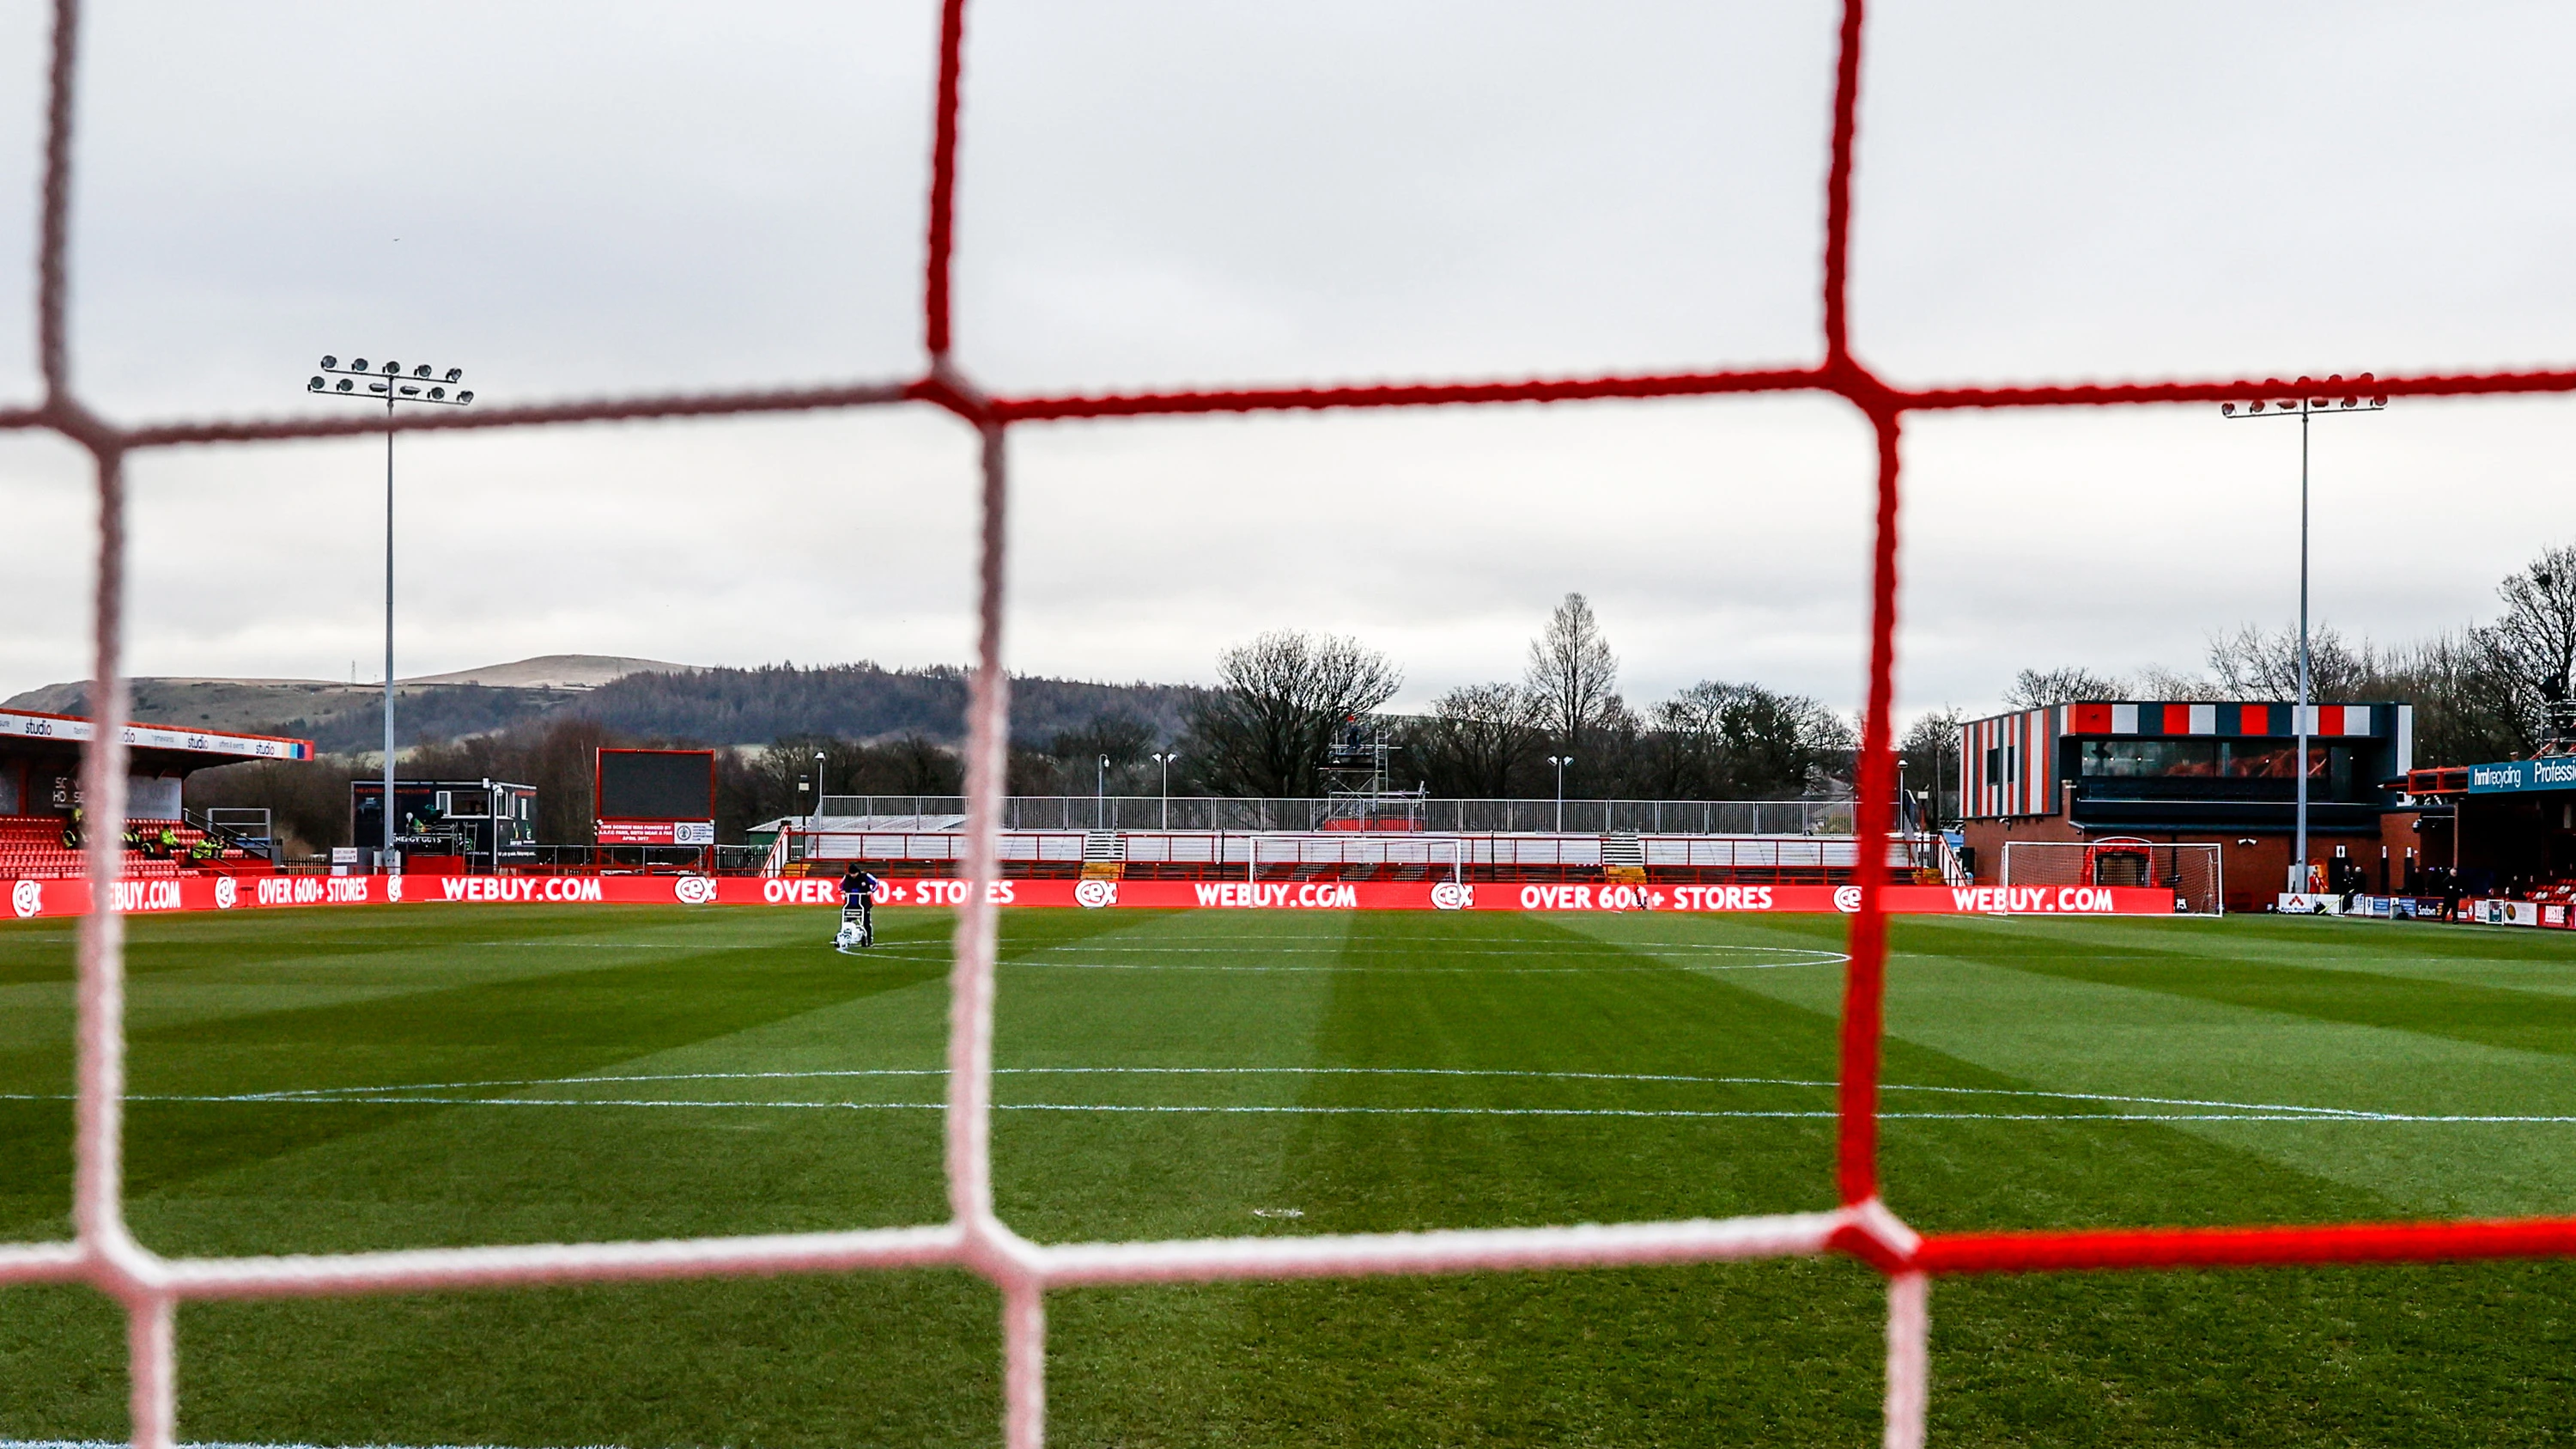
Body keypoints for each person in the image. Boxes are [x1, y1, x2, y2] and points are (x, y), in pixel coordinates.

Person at [835, 864, 883, 951]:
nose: (853, 875)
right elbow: (840, 885)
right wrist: (843, 890)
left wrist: (871, 891)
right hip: (850, 904)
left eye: (854, 873)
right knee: (847, 922)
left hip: (863, 903)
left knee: (866, 922)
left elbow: (876, 883)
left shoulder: (865, 876)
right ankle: (846, 937)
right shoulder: (847, 877)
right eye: (851, 874)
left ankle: (869, 939)